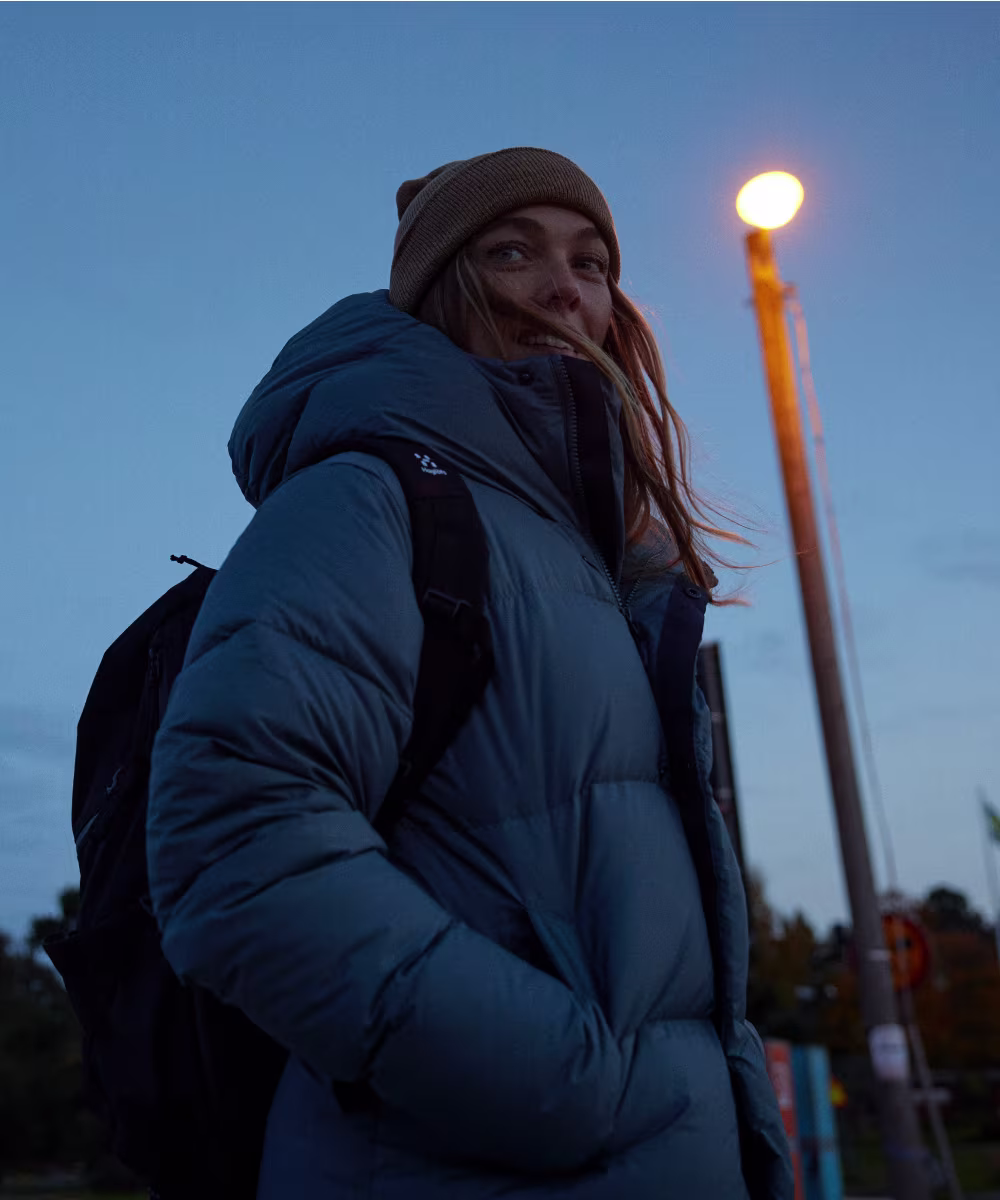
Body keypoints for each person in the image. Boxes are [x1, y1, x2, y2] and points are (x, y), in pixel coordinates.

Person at [146, 147, 794, 1199]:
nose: (562, 287)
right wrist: (574, 1088)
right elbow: (234, 837)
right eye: (510, 251)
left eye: (590, 261)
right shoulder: (367, 495)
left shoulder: (593, 557)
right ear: (442, 286)